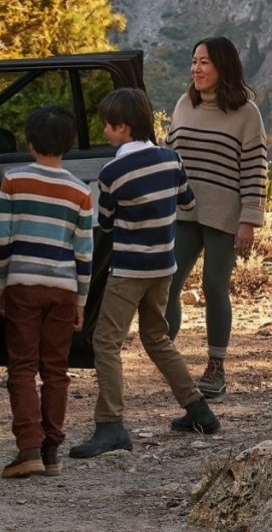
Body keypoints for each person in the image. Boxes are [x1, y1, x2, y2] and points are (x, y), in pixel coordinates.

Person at [70, 88, 220, 459]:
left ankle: (111, 425)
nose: (105, 131)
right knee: (156, 337)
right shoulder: (171, 160)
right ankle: (198, 409)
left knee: (106, 342)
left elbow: (104, 224)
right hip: (163, 268)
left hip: (129, 271)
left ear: (122, 126)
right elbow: (187, 201)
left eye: (107, 125)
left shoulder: (112, 172)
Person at [163, 36, 268, 399]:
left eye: (204, 62)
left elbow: (255, 169)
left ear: (223, 66)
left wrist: (248, 221)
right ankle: (169, 361)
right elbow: (171, 155)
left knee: (213, 286)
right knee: (169, 285)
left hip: (225, 216)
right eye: (194, 61)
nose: (196, 68)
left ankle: (216, 367)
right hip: (184, 211)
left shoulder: (246, 113)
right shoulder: (183, 104)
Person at [0, 105, 93, 478]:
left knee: (21, 366)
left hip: (23, 286)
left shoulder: (13, 180)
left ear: (30, 142)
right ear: (66, 144)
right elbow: (84, 253)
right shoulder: (80, 191)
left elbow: (2, 238)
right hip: (64, 290)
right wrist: (81, 299)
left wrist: (1, 284)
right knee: (56, 369)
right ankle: (51, 452)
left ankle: (28, 447)